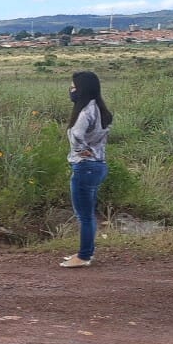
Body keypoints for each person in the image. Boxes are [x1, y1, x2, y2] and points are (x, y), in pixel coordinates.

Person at [61, 70, 113, 268]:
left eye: (74, 87)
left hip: (85, 167)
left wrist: (81, 151)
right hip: (98, 165)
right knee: (88, 213)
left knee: (84, 215)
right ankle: (86, 252)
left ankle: (83, 256)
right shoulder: (99, 109)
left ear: (82, 89)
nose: (71, 90)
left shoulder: (85, 113)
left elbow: (76, 135)